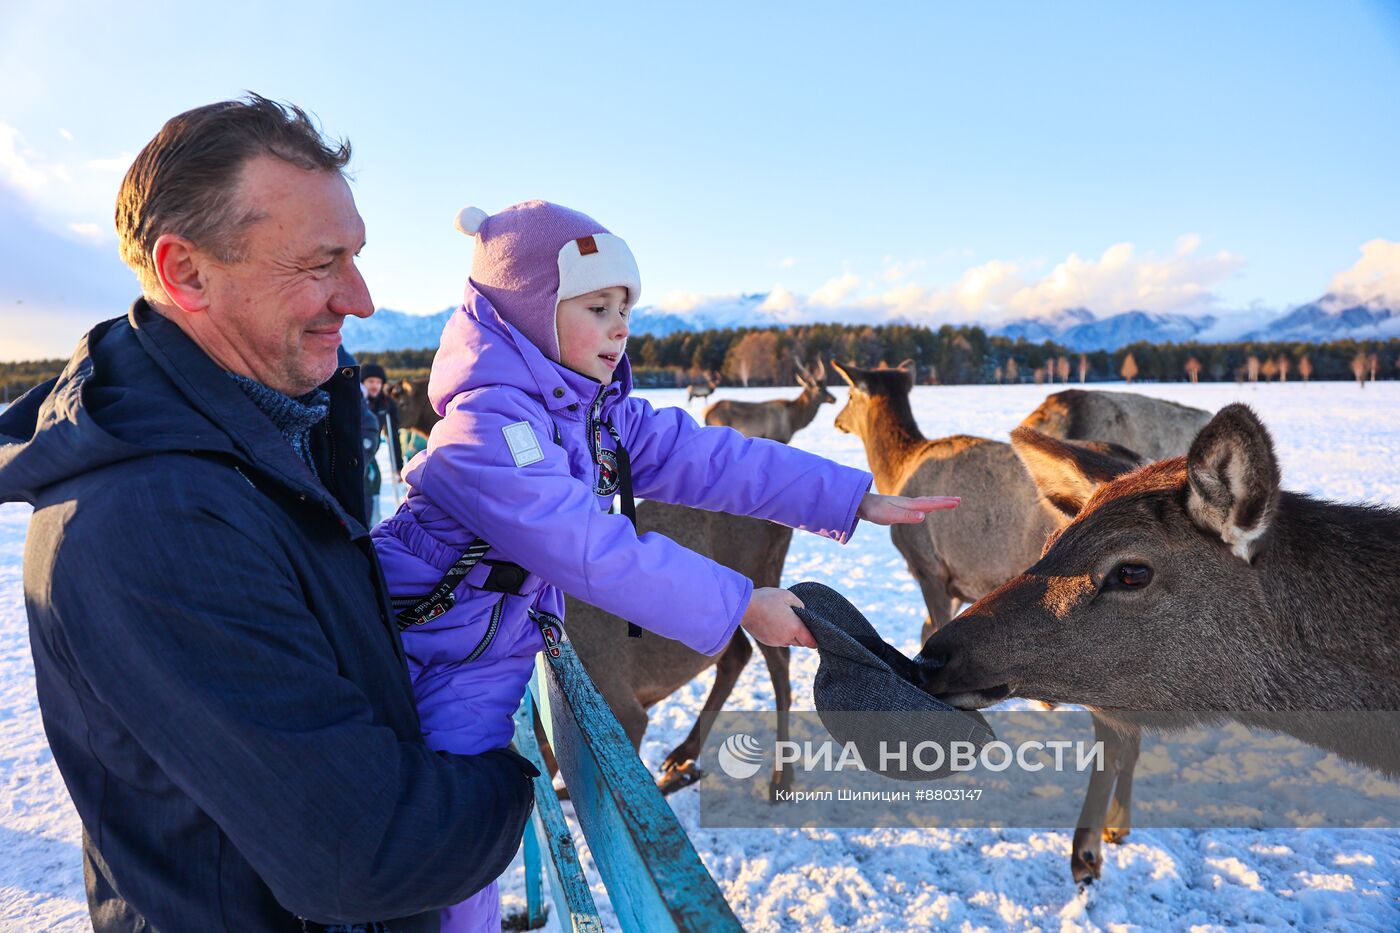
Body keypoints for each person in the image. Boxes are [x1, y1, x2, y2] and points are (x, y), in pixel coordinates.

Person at [0, 96, 537, 932]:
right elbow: (365, 853)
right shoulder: (156, 519)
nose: (359, 298)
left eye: (356, 256)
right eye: (322, 264)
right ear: (186, 273)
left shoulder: (274, 429)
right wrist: (509, 776)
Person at [371, 200, 959, 931]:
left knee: (467, 846)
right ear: (526, 311)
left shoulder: (583, 410)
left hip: (485, 646)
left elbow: (706, 456)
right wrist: (742, 603)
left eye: (626, 305)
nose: (621, 325)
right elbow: (588, 547)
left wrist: (845, 496)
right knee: (457, 848)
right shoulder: (490, 427)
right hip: (429, 649)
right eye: (596, 305)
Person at [360, 362, 404, 524]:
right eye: (370, 381)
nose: (375, 386)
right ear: (363, 382)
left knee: (373, 485)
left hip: (370, 456)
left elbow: (393, 435)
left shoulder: (385, 403)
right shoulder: (355, 400)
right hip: (352, 454)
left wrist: (398, 465)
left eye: (378, 382)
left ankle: (372, 524)